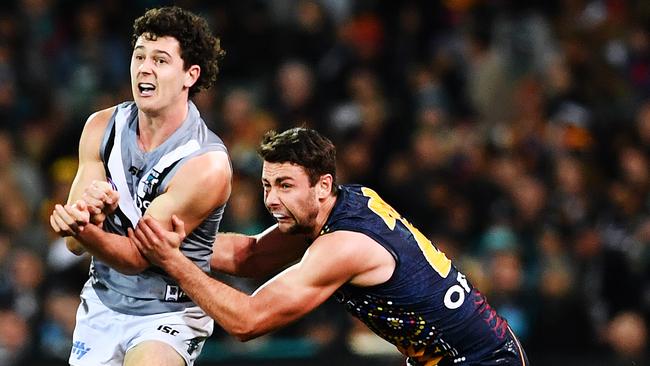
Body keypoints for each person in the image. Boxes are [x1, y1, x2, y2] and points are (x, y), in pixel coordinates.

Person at [130, 127, 529, 365]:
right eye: (268, 185)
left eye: (285, 185)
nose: (271, 199)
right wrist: (176, 239)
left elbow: (247, 321)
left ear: (322, 185)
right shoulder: (343, 203)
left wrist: (171, 260)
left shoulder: (343, 246)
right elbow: (250, 256)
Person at [48, 6, 231, 366]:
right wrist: (88, 215)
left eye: (161, 60)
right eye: (139, 56)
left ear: (189, 75)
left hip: (168, 312)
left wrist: (84, 228)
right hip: (104, 301)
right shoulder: (101, 127)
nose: (145, 68)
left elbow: (135, 258)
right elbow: (72, 245)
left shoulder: (205, 163)